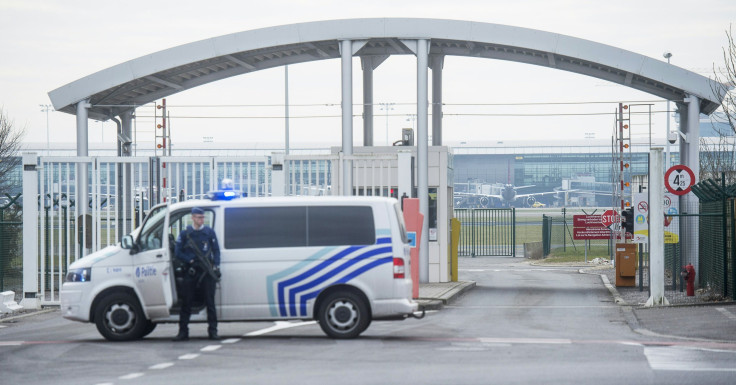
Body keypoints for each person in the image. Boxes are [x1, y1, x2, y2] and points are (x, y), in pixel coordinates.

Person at [173, 207, 221, 341]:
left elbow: (216, 251)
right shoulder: (185, 234)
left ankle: (213, 331)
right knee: (186, 302)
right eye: (199, 217)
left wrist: (216, 265)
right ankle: (183, 332)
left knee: (210, 303)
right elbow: (178, 253)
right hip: (192, 271)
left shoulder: (209, 233)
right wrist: (190, 260)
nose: (201, 220)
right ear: (193, 218)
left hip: (206, 272)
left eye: (202, 217)